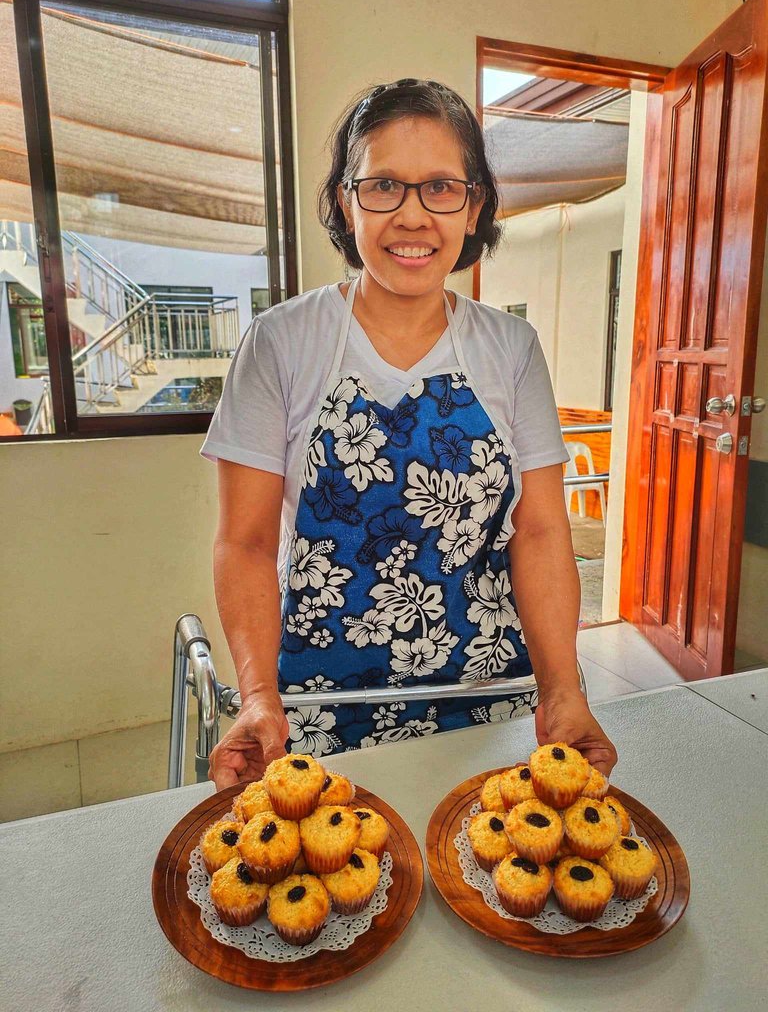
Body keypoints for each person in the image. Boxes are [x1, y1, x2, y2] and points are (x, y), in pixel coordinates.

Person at [200, 78, 617, 790]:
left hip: (491, 702)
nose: (413, 216)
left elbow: (543, 532)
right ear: (346, 200)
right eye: (384, 186)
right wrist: (259, 698)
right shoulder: (281, 342)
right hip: (317, 708)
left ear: (474, 203)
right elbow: (245, 541)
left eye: (442, 188)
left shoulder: (510, 348)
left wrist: (562, 688)